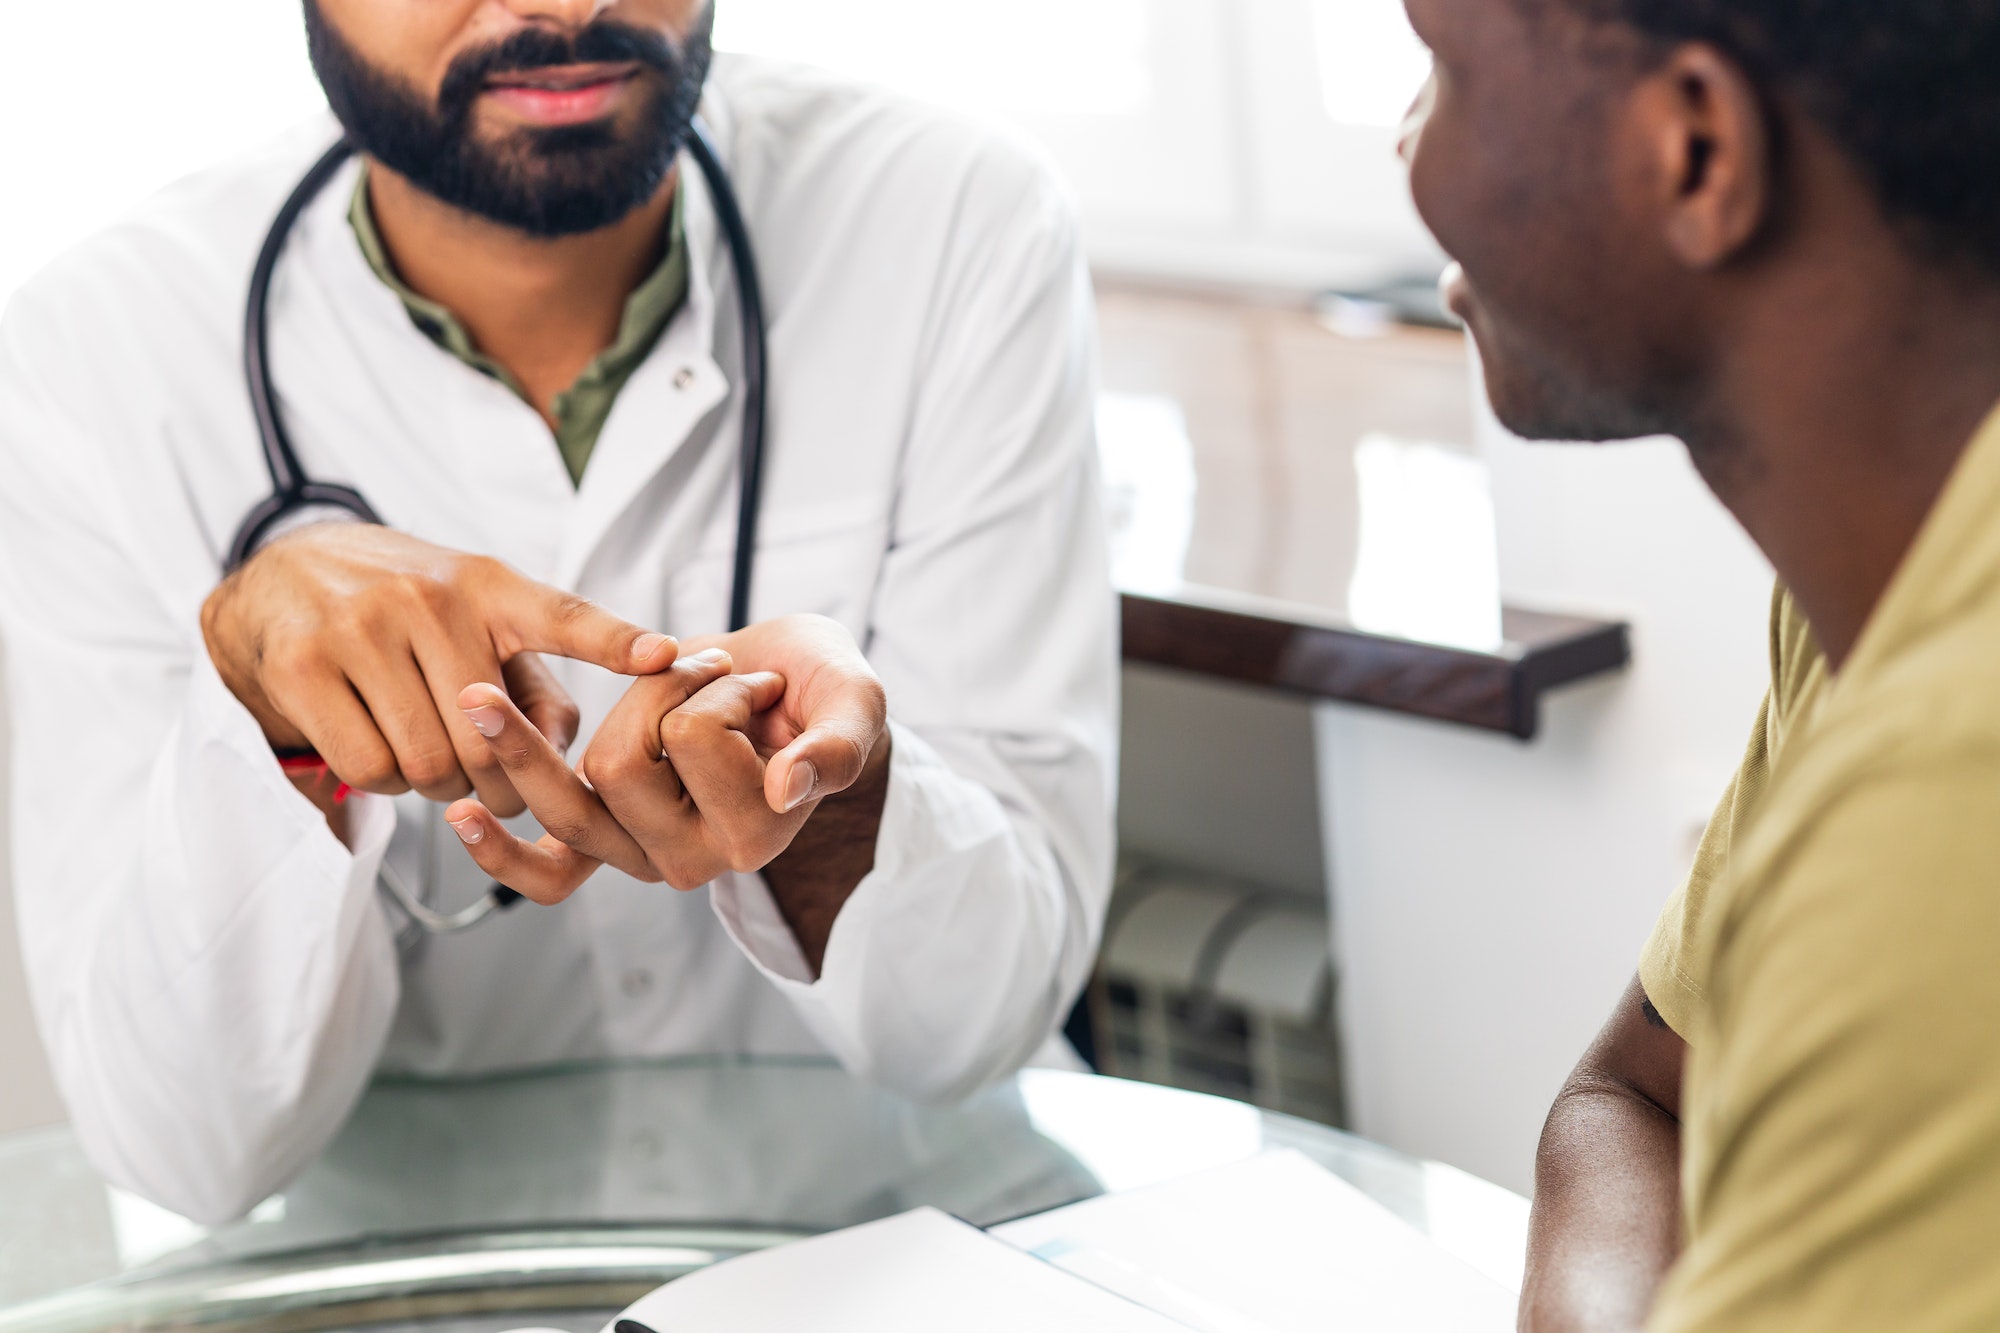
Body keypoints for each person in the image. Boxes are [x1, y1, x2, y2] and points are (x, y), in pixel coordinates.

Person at [0, 0, 1115, 1225]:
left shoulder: (954, 221)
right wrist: (276, 724)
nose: (566, 4)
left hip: (898, 1233)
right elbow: (188, 1151)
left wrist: (832, 804)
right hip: (415, 1281)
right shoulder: (90, 353)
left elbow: (975, 1024)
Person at [1399, 0, 2000, 1328]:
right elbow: (1636, 1093)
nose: (1407, 151)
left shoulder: (1956, 784)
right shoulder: (1876, 584)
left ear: (1696, 156)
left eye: (1441, 67)